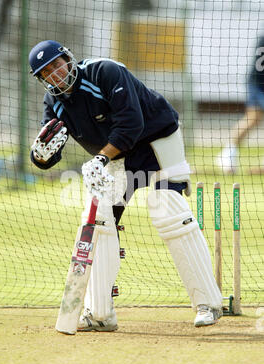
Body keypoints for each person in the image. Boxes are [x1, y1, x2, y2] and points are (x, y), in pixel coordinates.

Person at [29, 40, 223, 330]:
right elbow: (50, 147)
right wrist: (40, 157)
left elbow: (131, 123)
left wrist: (100, 158)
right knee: (99, 221)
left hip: (156, 138)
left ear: (68, 59)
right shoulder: (53, 103)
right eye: (48, 72)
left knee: (168, 212)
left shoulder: (104, 72)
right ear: (43, 79)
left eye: (58, 64)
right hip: (116, 156)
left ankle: (208, 303)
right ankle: (99, 314)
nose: (56, 73)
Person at [216, 36, 264, 174]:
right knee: (253, 118)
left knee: (253, 118)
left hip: (257, 83)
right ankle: (228, 153)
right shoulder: (263, 39)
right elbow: (260, 68)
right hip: (258, 84)